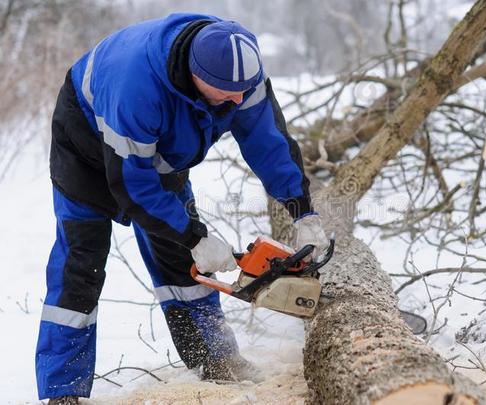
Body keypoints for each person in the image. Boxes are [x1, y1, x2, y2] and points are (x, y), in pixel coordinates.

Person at [36, 13, 329, 405]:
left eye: (244, 91)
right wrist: (194, 235)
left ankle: (217, 360)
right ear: (195, 76)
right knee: (80, 266)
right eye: (228, 92)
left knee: (183, 262)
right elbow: (133, 185)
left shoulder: (238, 72)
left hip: (160, 152)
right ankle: (62, 390)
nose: (239, 100)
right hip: (86, 149)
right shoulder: (135, 89)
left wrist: (302, 211)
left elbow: (269, 143)